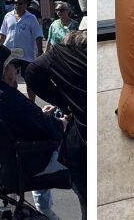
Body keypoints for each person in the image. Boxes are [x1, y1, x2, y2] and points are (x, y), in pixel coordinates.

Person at [0, 43, 67, 220]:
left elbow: (20, 118)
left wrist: (39, 116)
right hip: (15, 165)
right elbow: (52, 130)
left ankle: (44, 211)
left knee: (37, 146)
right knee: (78, 156)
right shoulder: (9, 97)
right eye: (14, 65)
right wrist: (64, 121)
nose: (17, 69)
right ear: (6, 70)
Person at [25, 30, 87, 220]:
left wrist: (64, 104)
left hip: (77, 145)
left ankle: (45, 209)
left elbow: (32, 72)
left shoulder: (62, 55)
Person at [0, 0, 44, 102]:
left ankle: (31, 103)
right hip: (10, 53)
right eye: (15, 3)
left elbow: (38, 35)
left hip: (27, 55)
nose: (17, 5)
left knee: (29, 80)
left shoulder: (31, 18)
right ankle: (13, 101)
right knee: (9, 78)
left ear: (26, 5)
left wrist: (40, 51)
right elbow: (3, 34)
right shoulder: (8, 16)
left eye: (20, 3)